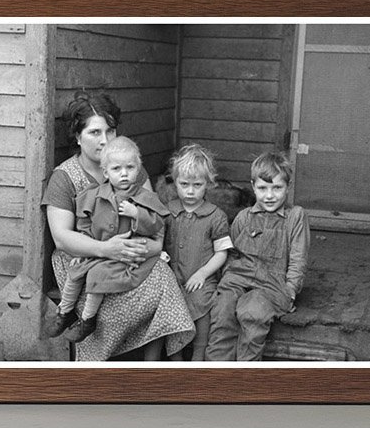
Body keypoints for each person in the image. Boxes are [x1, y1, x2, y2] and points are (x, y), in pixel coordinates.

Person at [41, 91, 194, 361]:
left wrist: (152, 247)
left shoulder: (129, 168)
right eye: (94, 132)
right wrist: (106, 249)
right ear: (77, 137)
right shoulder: (65, 177)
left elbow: (151, 217)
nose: (105, 140)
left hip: (131, 252)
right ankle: (100, 360)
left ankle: (163, 362)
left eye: (110, 131)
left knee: (163, 277)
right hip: (83, 258)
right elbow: (62, 238)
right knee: (107, 305)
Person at [51, 136, 170, 344]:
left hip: (125, 257)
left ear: (138, 169)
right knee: (75, 270)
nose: (124, 174)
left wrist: (137, 214)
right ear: (106, 172)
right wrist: (84, 251)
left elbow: (157, 225)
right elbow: (84, 224)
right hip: (100, 251)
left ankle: (87, 319)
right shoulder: (94, 195)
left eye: (130, 168)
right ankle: (65, 311)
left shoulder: (145, 198)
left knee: (98, 274)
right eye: (116, 169)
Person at [205, 151, 311, 362]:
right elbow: (233, 254)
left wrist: (290, 289)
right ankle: (215, 379)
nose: (269, 196)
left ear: (287, 187)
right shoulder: (243, 217)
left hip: (271, 285)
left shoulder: (295, 217)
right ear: (253, 187)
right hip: (238, 278)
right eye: (262, 188)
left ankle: (245, 382)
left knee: (252, 312)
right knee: (222, 310)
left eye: (277, 188)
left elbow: (299, 258)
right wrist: (228, 281)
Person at [163, 144, 232, 361]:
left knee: (204, 305)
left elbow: (221, 253)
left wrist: (202, 274)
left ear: (208, 184)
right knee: (171, 312)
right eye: (184, 185)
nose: (190, 191)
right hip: (173, 277)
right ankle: (176, 361)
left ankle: (198, 359)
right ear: (175, 183)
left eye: (197, 185)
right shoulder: (167, 211)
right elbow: (156, 241)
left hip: (201, 277)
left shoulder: (215, 216)